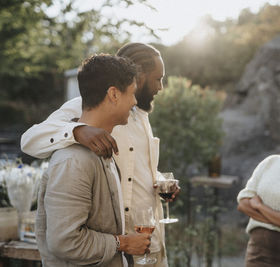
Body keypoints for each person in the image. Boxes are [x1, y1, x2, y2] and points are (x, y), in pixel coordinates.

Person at [21, 43, 178, 266]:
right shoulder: (86, 106)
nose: (160, 87)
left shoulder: (141, 116)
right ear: (139, 77)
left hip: (147, 241)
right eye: (157, 78)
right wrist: (76, 130)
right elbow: (29, 140)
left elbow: (138, 168)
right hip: (112, 248)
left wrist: (161, 181)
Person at [36, 54, 151, 266]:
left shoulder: (99, 148)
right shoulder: (72, 161)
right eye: (132, 93)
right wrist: (123, 243)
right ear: (114, 94)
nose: (135, 102)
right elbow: (65, 242)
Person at [237, 154, 280, 267]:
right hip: (259, 253)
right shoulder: (271, 162)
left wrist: (259, 206)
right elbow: (243, 204)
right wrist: (279, 221)